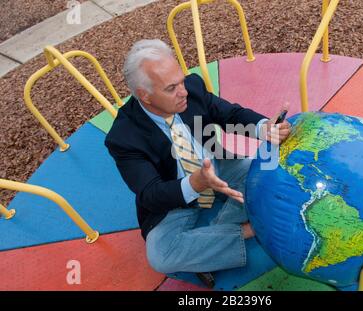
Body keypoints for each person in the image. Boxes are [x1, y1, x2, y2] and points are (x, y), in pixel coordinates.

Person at [105, 39, 291, 288]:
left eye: (181, 80)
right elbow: (150, 194)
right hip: (174, 199)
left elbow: (230, 114)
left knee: (267, 170)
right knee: (161, 255)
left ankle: (211, 242)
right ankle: (247, 229)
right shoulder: (123, 137)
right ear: (144, 95)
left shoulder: (190, 88)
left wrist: (264, 127)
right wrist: (195, 183)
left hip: (218, 166)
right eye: (171, 88)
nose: (183, 91)